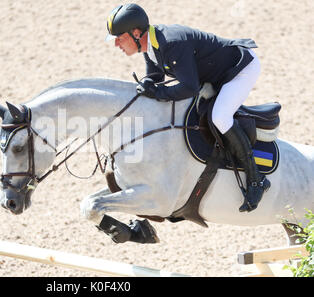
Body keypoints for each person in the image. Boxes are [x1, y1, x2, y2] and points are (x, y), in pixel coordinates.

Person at [105, 3, 270, 212]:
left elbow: (189, 88)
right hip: (213, 74)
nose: (117, 44)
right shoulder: (150, 45)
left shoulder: (171, 43)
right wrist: (148, 83)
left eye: (120, 38)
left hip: (239, 70)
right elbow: (155, 75)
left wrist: (157, 92)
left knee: (220, 117)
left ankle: (256, 179)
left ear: (136, 33)